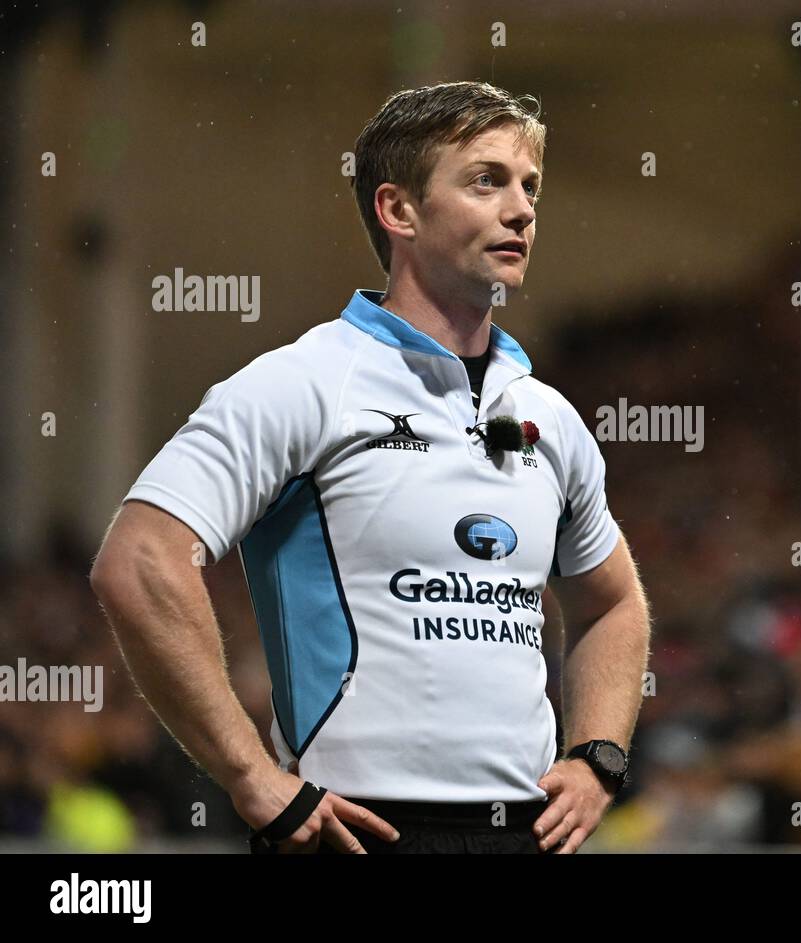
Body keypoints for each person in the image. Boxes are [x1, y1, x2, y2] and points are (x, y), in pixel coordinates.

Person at [89, 81, 652, 854]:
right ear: (399, 211)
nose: (521, 208)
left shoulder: (550, 419)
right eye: (487, 180)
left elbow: (612, 602)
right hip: (353, 832)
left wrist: (598, 757)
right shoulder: (305, 382)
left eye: (530, 186)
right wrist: (250, 773)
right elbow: (140, 559)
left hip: (524, 834)